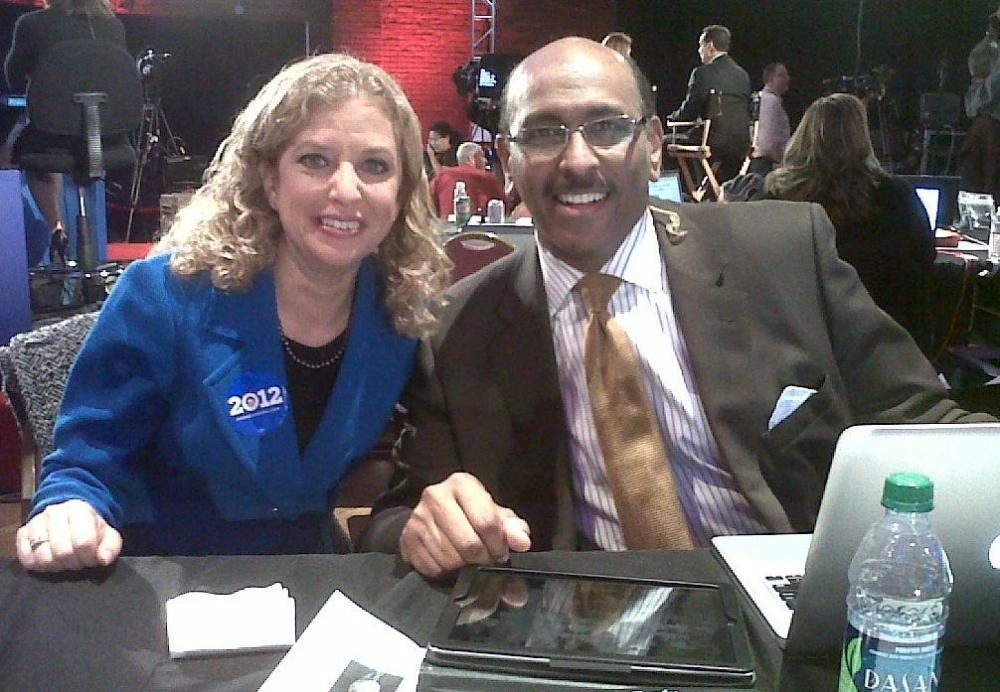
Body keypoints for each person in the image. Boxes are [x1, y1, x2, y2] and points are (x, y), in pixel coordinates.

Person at [361, 37, 991, 579]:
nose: (578, 161)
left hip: (789, 610)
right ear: (506, 161)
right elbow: (398, 514)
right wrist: (424, 528)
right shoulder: (453, 330)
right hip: (589, 629)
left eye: (608, 127)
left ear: (655, 146)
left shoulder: (784, 253)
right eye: (545, 133)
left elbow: (920, 416)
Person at [15, 52, 450, 572]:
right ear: (270, 180)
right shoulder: (165, 293)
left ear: (401, 192)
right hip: (163, 582)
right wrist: (69, 510)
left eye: (375, 166)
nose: (345, 190)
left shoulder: (399, 312)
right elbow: (84, 465)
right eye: (315, 160)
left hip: (306, 581)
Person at [767, 93, 936, 356]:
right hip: (889, 353)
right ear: (862, 137)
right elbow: (926, 258)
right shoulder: (897, 197)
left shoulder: (777, 196)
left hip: (800, 351)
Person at [4, 0, 127, 261]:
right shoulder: (114, 27)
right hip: (106, 136)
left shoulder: (32, 24)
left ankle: (53, 228)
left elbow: (13, 76)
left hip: (53, 137)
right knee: (51, 135)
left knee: (15, 149)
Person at [668, 25, 751, 184]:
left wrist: (671, 120)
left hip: (713, 141)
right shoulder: (743, 75)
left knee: (666, 144)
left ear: (710, 46)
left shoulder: (702, 73)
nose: (699, 50)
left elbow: (689, 112)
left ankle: (685, 195)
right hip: (741, 144)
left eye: (700, 45)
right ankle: (706, 190)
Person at [959, 14, 1000, 196]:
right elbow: (976, 62)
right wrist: (991, 34)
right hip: (985, 127)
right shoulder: (989, 49)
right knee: (976, 187)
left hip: (993, 129)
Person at [429, 141, 506, 218]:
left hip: (445, 226)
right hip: (476, 228)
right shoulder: (484, 177)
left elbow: (428, 202)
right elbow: (505, 205)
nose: (485, 161)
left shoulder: (442, 176)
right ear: (471, 158)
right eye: (482, 156)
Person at [749, 62, 791, 175]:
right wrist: (780, 162)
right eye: (781, 75)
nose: (787, 79)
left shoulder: (764, 98)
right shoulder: (771, 101)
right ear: (770, 78)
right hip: (767, 165)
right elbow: (767, 140)